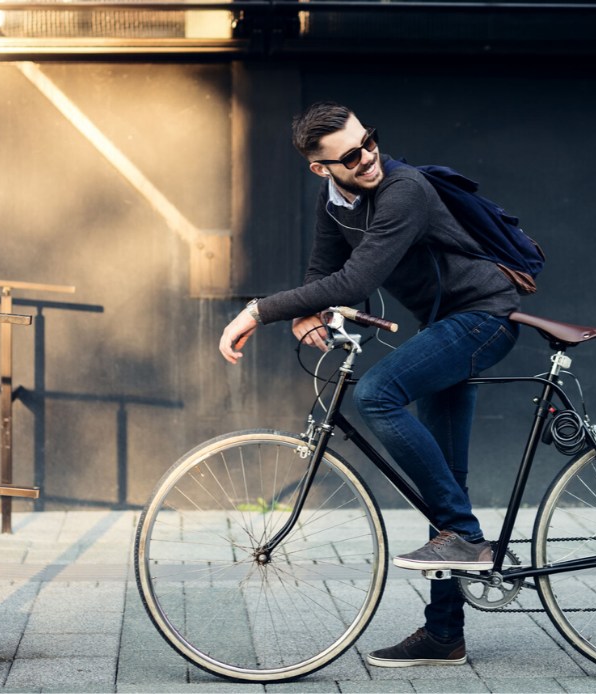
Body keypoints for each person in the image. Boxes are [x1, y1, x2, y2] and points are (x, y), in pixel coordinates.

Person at [217, 101, 521, 667]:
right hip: (446, 324)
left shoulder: (404, 190)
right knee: (443, 479)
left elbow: (359, 278)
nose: (368, 158)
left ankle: (463, 535)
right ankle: (444, 634)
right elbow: (325, 271)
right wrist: (309, 310)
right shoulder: (334, 200)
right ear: (321, 169)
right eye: (350, 156)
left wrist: (260, 310)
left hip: (484, 317)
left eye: (369, 142)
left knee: (377, 393)